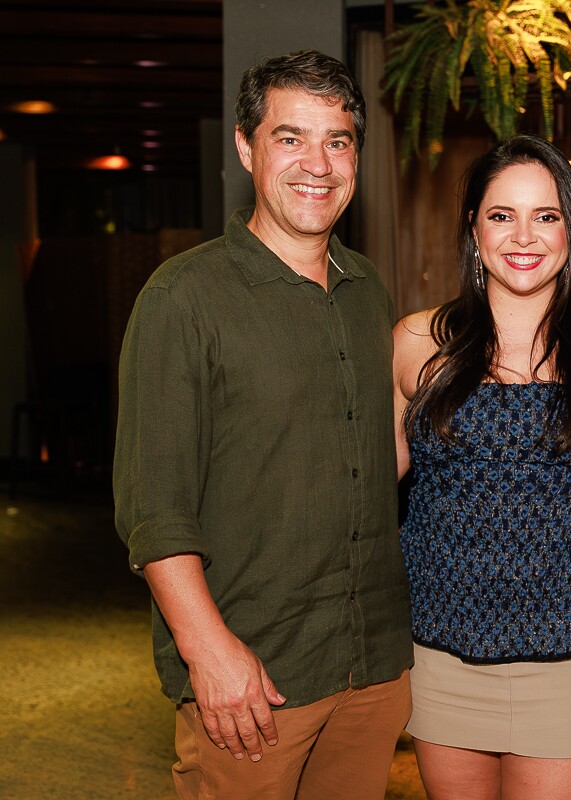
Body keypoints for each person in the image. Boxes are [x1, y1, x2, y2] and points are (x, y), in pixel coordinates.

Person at [113, 50, 412, 800]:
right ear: (246, 147)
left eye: (338, 141)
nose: (318, 163)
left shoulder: (366, 288)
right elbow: (155, 510)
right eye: (291, 137)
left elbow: (374, 461)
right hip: (256, 678)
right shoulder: (183, 298)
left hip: (371, 665)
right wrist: (207, 651)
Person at [392, 134, 571, 800]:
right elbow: (358, 497)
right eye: (502, 215)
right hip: (443, 653)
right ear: (473, 228)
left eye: (547, 216)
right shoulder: (419, 343)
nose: (523, 236)